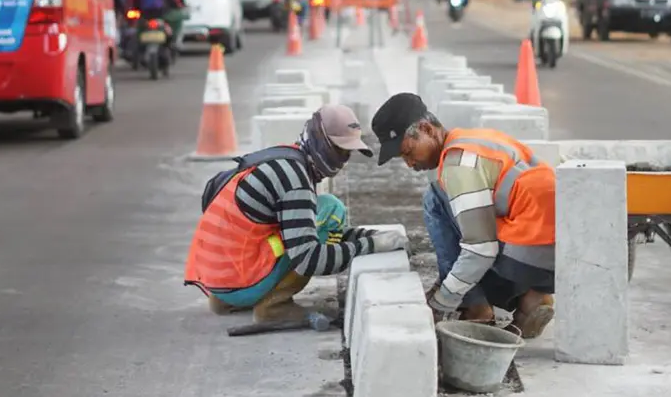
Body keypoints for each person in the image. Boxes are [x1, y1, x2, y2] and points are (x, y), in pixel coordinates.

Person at [185, 105, 408, 322]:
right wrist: (371, 247)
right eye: (339, 149)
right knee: (330, 209)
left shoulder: (285, 158)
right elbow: (310, 260)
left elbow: (303, 226)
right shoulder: (295, 181)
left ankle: (229, 299)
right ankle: (274, 309)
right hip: (238, 280)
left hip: (219, 279)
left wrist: (368, 235)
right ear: (319, 140)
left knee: (310, 221)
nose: (341, 161)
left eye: (347, 154)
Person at [370, 93, 556, 338]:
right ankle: (533, 299)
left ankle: (475, 305)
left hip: (529, 257)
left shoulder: (459, 165)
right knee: (476, 216)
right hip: (560, 255)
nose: (409, 164)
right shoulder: (477, 139)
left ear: (427, 129)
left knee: (435, 199)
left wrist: (442, 301)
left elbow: (481, 250)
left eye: (408, 152)